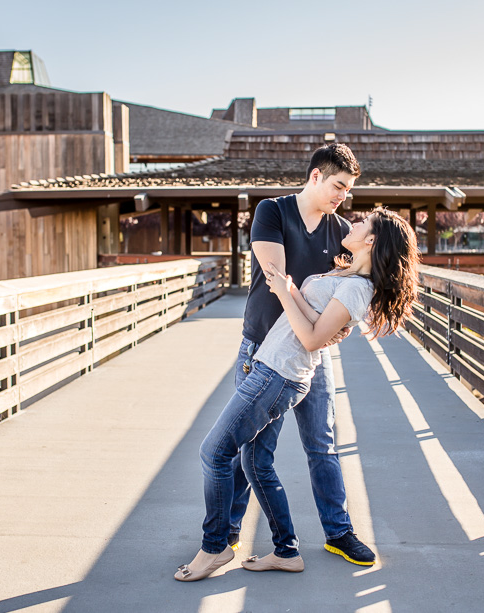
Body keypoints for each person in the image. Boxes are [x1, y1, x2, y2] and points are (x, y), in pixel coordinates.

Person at [175, 208, 419, 581]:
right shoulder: (347, 274)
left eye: (362, 223)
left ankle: (215, 547)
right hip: (271, 365)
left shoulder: (357, 287)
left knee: (214, 451)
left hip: (279, 374)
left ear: (371, 240)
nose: (353, 221)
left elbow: (310, 338)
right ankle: (286, 550)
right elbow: (316, 321)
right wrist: (290, 290)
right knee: (255, 462)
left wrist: (284, 292)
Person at [226, 144, 377, 570]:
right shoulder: (272, 211)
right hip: (263, 348)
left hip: (311, 355)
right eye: (338, 186)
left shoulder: (343, 230)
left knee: (323, 443)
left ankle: (338, 531)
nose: (343, 197)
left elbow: (344, 294)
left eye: (348, 190)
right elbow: (276, 277)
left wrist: (333, 328)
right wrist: (314, 323)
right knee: (250, 447)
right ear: (315, 176)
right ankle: (229, 533)